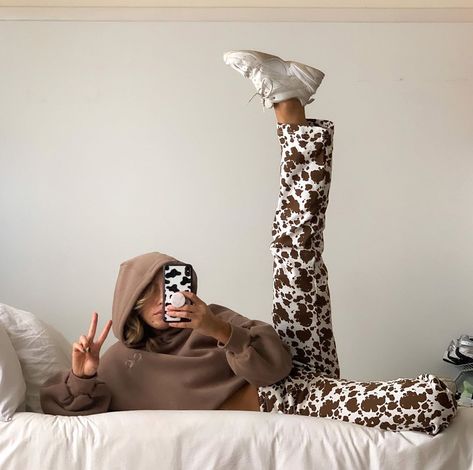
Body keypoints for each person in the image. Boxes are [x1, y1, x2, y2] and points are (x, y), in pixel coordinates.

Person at [40, 50, 458, 435]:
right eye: (148, 292)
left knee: (293, 253)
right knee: (434, 400)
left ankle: (289, 104)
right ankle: (456, 389)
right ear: (129, 303)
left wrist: (216, 328)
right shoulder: (119, 363)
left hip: (288, 372)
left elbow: (275, 365)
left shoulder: (207, 318)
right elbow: (62, 416)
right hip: (288, 401)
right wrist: (83, 374)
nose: (163, 298)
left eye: (166, 285)